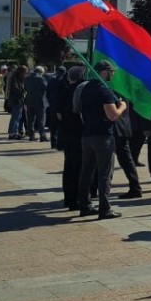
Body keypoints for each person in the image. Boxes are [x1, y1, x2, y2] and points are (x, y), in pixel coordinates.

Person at [77, 61, 128, 220]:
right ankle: (104, 209)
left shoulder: (85, 88)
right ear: (104, 72)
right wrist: (123, 107)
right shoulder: (104, 89)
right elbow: (112, 115)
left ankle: (84, 205)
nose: (112, 74)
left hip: (87, 135)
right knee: (105, 173)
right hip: (103, 136)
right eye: (110, 71)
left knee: (86, 172)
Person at [58, 67, 86, 210]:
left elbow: (57, 112)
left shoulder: (64, 89)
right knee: (80, 167)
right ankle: (78, 199)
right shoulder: (82, 90)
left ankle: (69, 199)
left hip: (66, 131)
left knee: (69, 166)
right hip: (79, 132)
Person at [23, 65, 48, 142]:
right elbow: (46, 88)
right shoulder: (41, 79)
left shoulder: (27, 79)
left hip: (29, 100)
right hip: (40, 101)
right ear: (41, 72)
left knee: (30, 120)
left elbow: (25, 88)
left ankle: (31, 135)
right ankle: (42, 136)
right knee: (40, 120)